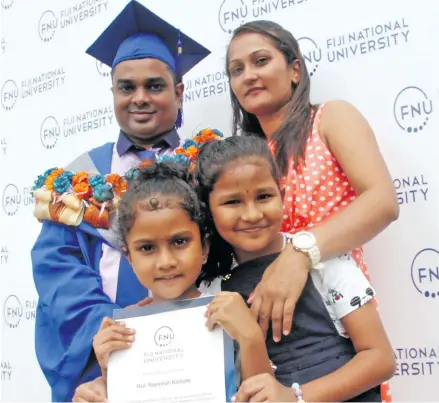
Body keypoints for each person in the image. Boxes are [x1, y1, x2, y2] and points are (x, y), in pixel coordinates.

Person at [73, 135, 395, 402]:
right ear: (209, 212)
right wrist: (113, 377)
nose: (252, 214)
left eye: (264, 196)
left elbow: (380, 359)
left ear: (282, 195)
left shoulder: (323, 259)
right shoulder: (211, 294)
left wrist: (295, 398)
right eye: (232, 202)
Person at [30, 1, 211, 401]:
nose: (140, 98)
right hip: (106, 354)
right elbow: (57, 268)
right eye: (127, 87)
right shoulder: (81, 177)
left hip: (200, 348)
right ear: (113, 92)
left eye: (156, 85)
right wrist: (113, 327)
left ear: (179, 92)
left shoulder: (207, 165)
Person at [224, 20, 399, 401]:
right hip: (267, 328)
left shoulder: (330, 119)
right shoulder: (245, 158)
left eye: (260, 60)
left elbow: (382, 201)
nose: (249, 75)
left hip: (339, 318)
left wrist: (299, 253)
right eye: (237, 69)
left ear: (294, 69)